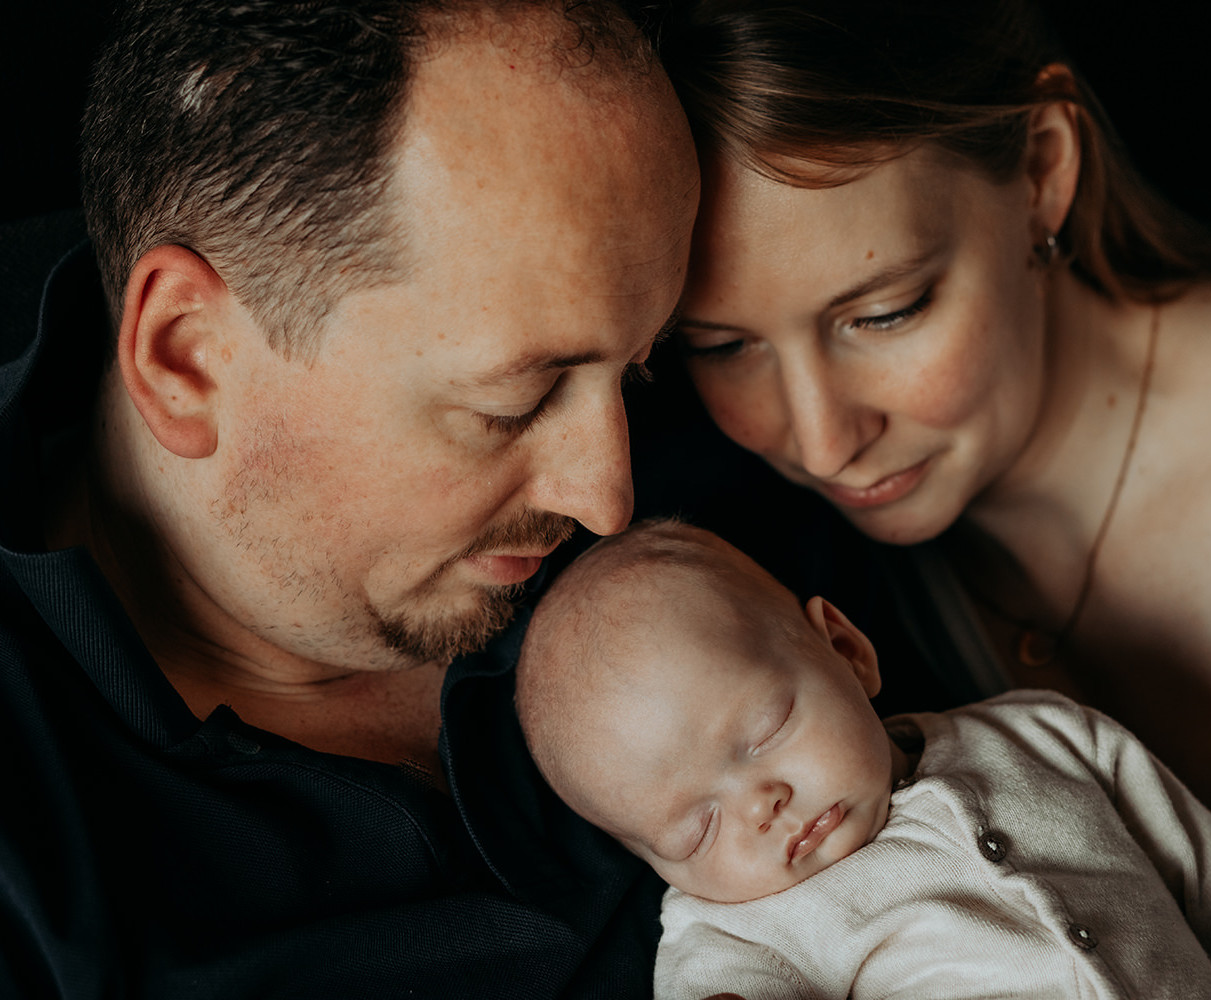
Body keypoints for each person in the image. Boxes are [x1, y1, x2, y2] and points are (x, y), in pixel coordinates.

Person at [0, 0, 700, 995]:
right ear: (186, 359)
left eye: (640, 371)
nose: (608, 500)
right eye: (511, 404)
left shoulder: (731, 444)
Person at [652, 0, 1211, 962]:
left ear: (1043, 172)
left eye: (885, 313)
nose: (820, 441)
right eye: (720, 347)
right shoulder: (785, 577)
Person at [515, 519, 1211, 1000]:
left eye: (763, 732)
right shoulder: (734, 934)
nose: (758, 803)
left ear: (845, 649)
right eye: (694, 831)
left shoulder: (1043, 735)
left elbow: (1199, 866)